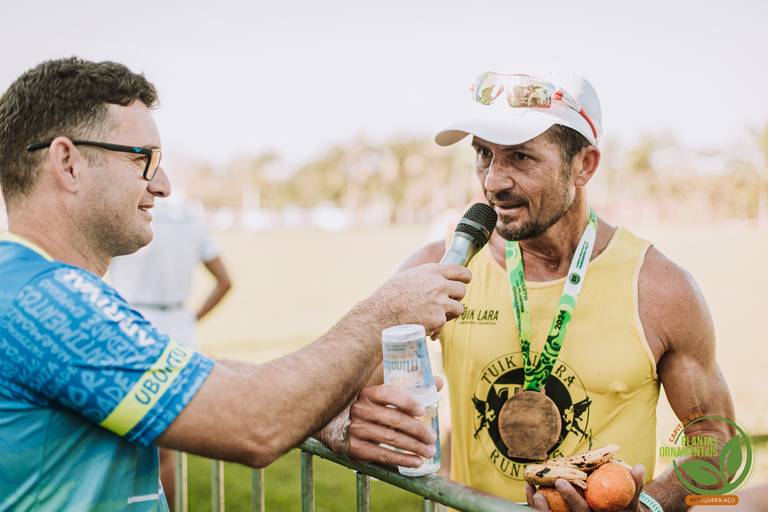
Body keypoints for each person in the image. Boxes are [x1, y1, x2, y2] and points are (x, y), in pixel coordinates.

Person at [0, 57, 470, 511]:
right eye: (144, 158)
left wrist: (320, 412)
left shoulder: (28, 286)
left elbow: (196, 374)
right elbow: (255, 423)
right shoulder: (47, 302)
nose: (162, 185)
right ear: (68, 163)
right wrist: (388, 310)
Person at [323, 69, 736, 512]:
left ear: (584, 165)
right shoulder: (439, 270)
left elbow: (717, 440)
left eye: (520, 157)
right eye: (483, 154)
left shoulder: (658, 288)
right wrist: (345, 426)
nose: (493, 181)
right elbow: (329, 396)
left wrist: (648, 506)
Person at [109, 198, 232, 508]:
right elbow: (225, 281)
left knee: (122, 440)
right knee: (166, 450)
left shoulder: (123, 213)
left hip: (130, 327)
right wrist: (191, 319)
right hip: (179, 332)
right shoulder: (192, 221)